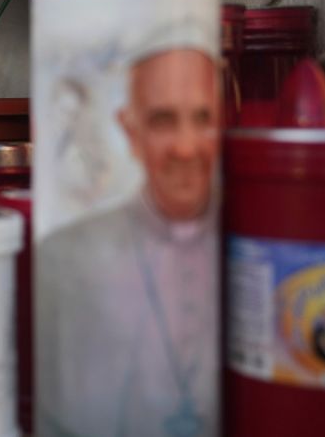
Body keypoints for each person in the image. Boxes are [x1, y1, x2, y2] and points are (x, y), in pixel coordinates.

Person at [37, 47, 220, 437]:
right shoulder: (64, 257)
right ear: (131, 132)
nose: (186, 148)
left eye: (202, 119)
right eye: (163, 121)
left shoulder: (258, 241)